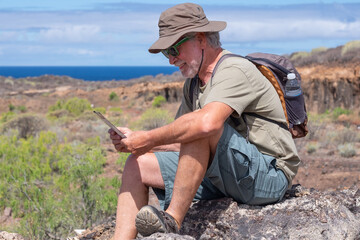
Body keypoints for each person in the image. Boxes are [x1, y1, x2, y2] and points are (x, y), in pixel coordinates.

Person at [109, 3, 300, 239]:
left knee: (199, 127)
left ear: (200, 39)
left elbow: (205, 127)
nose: (171, 60)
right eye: (166, 53)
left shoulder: (234, 69)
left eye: (174, 49)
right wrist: (137, 141)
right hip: (226, 174)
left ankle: (172, 220)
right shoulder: (193, 84)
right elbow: (184, 142)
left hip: (269, 176)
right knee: (136, 164)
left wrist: (147, 138)